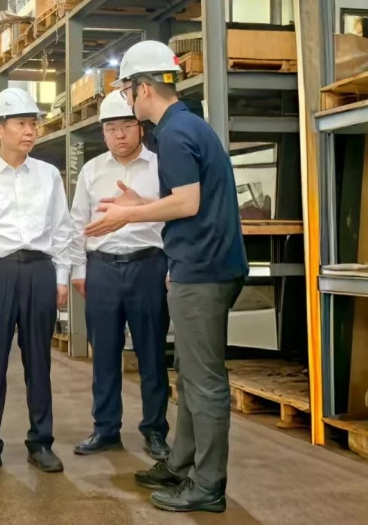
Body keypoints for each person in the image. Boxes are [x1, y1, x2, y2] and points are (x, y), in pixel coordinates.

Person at [86, 40, 248, 513]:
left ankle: (208, 486)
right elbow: (188, 199)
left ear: (142, 88)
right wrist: (142, 204)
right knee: (192, 377)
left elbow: (188, 203)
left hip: (204, 271)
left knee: (204, 382)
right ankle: (181, 465)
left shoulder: (174, 134)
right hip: (202, 265)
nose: (128, 102)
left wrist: (127, 216)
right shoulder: (187, 126)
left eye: (128, 92)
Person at [0, 87, 74, 477]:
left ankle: (41, 442)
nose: (30, 131)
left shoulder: (48, 176)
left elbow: (61, 229)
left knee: (39, 359)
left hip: (39, 270)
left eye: (33, 124)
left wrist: (61, 276)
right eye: (21, 123)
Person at [69, 90, 171, 461]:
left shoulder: (161, 166)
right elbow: (77, 222)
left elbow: (175, 217)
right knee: (105, 353)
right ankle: (106, 428)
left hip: (149, 267)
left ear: (140, 128)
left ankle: (155, 430)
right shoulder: (92, 171)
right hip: (103, 269)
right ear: (103, 133)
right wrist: (79, 269)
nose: (120, 135)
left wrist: (171, 267)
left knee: (152, 353)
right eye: (111, 128)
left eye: (127, 126)